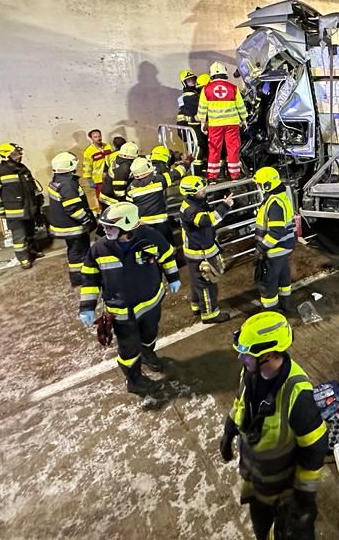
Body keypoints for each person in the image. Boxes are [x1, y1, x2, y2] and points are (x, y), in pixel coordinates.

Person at [219, 311, 327, 540]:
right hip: (257, 482)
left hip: (284, 493)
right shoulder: (250, 374)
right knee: (262, 531)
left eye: (246, 354)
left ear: (267, 355)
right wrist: (229, 429)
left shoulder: (297, 395)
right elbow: (241, 404)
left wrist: (304, 502)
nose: (240, 359)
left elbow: (315, 449)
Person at [78, 202, 181, 396]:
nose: (105, 230)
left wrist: (173, 277)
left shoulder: (151, 238)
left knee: (150, 334)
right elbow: (90, 278)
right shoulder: (99, 249)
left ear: (127, 225)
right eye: (105, 226)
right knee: (129, 349)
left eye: (110, 226)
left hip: (151, 304)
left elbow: (167, 256)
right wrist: (87, 307)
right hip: (122, 312)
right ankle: (134, 380)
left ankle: (148, 354)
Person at [178, 175, 234, 323]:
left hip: (197, 251)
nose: (204, 192)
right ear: (191, 193)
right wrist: (225, 206)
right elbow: (205, 221)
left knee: (197, 282)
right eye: (201, 191)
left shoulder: (194, 202)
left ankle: (196, 305)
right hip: (199, 254)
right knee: (207, 285)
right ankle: (210, 314)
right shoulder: (191, 209)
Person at [0, 142, 42, 269]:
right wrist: (0, 212)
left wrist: (37, 202)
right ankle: (23, 258)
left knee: (30, 233)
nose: (19, 156)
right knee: (19, 236)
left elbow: (32, 187)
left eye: (19, 153)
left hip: (29, 209)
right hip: (14, 213)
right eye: (16, 154)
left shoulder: (23, 168)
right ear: (6, 156)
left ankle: (32, 251)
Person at [252, 167, 296, 314]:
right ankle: (285, 306)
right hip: (284, 248)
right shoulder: (280, 197)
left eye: (259, 184)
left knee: (268, 282)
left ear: (267, 185)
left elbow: (276, 232)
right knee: (283, 279)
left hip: (275, 250)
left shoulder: (274, 203)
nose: (258, 187)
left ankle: (270, 313)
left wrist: (262, 248)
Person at [47, 152, 95, 287]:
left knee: (73, 250)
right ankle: (82, 278)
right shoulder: (67, 184)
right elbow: (73, 208)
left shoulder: (57, 180)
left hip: (64, 225)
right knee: (79, 252)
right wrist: (87, 220)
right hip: (72, 226)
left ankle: (78, 276)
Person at [198, 61, 247, 181]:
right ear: (225, 73)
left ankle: (212, 176)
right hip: (232, 124)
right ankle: (235, 175)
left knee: (214, 150)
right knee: (233, 149)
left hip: (215, 125)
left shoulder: (206, 89)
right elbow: (240, 106)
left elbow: (202, 108)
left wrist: (202, 123)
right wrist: (244, 119)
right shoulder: (233, 88)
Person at [126, 155, 188, 248]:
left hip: (143, 224)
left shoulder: (130, 188)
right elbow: (176, 174)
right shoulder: (159, 180)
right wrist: (186, 163)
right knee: (168, 246)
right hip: (161, 222)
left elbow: (131, 207)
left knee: (150, 247)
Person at [81, 129, 113, 209]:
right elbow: (87, 166)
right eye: (95, 137)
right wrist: (89, 179)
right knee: (101, 199)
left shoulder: (108, 147)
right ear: (91, 138)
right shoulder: (88, 152)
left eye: (99, 136)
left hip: (110, 177)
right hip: (99, 180)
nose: (98, 138)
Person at [100, 141, 139, 207]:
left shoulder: (119, 159)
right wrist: (125, 203)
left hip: (107, 196)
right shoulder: (124, 167)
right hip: (111, 201)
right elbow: (119, 191)